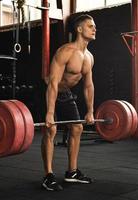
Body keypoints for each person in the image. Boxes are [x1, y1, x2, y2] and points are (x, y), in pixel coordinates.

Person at [41, 14, 97, 191]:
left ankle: (71, 172)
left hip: (65, 93)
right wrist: (50, 112)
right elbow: (53, 83)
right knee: (51, 129)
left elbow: (88, 86)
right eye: (90, 26)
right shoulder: (65, 51)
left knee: (77, 127)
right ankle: (48, 176)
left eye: (94, 26)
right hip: (50, 90)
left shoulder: (89, 57)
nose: (94, 29)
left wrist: (90, 111)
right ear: (79, 29)